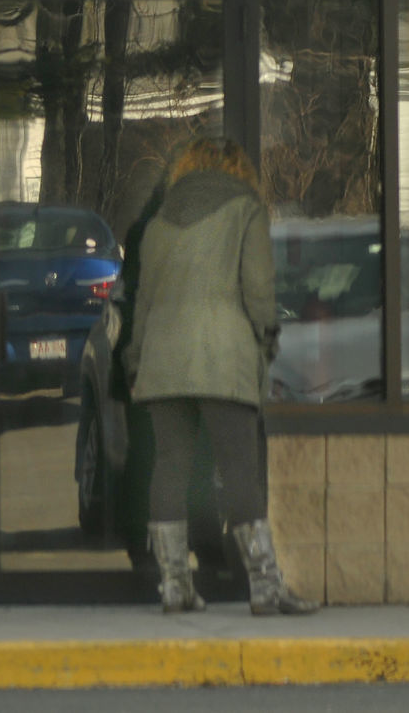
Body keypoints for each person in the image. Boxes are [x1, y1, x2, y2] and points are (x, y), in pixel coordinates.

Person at [124, 136, 318, 616]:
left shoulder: (159, 221)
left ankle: (175, 586)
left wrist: (135, 359)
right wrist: (267, 338)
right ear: (237, 170)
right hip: (224, 356)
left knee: (169, 465)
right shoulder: (246, 209)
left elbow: (142, 301)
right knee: (238, 470)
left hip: (163, 358)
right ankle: (266, 587)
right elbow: (258, 288)